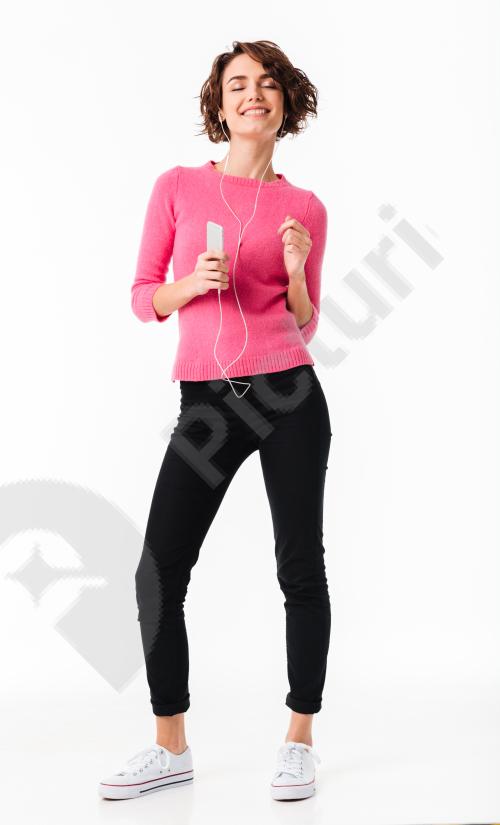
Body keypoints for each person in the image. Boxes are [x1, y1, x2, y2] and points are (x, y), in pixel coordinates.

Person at [99, 39, 332, 803]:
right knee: (158, 570)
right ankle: (170, 745)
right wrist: (189, 285)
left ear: (284, 104)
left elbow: (306, 319)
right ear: (220, 105)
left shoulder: (305, 207)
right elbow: (144, 297)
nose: (252, 94)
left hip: (288, 393)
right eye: (237, 85)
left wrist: (294, 272)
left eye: (267, 84)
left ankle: (299, 739)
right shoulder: (177, 187)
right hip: (206, 402)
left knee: (299, 565)